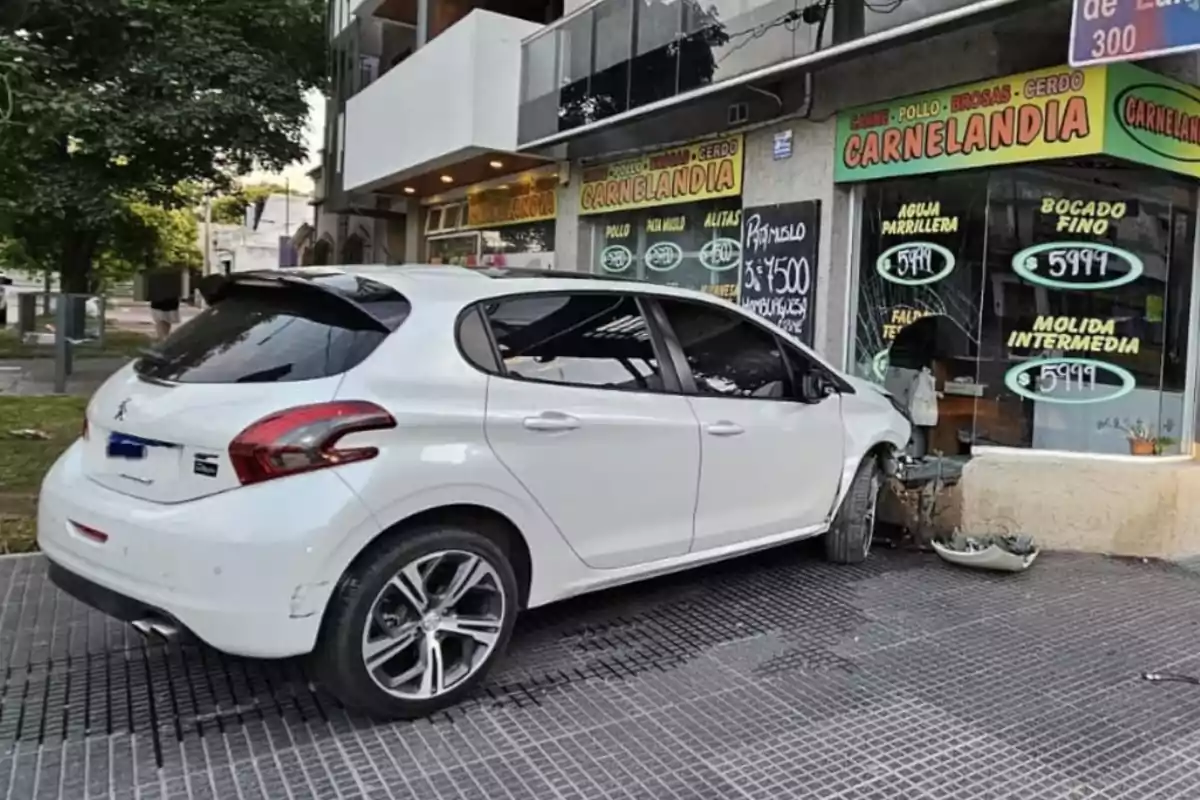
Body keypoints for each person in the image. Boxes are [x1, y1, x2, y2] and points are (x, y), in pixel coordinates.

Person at [146, 268, 182, 341]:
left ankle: (163, 339)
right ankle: (165, 338)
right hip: (171, 298)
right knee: (166, 320)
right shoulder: (174, 271)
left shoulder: (154, 271)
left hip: (158, 298)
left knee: (160, 320)